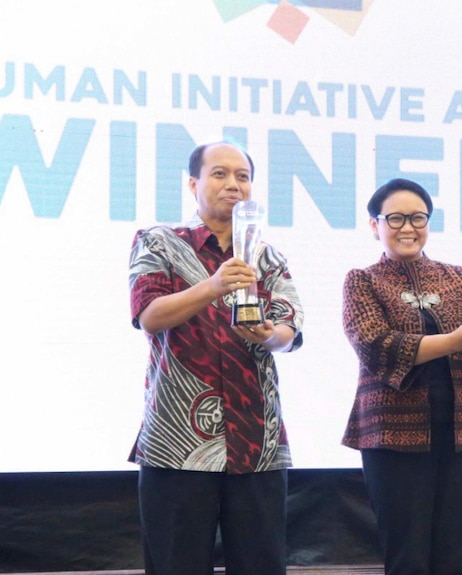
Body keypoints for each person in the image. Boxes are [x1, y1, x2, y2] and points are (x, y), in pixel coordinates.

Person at [128, 141, 304, 575]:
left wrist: (268, 334)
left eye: (242, 176)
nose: (233, 184)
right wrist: (211, 286)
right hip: (179, 441)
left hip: (257, 441)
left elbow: (290, 330)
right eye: (220, 174)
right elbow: (149, 316)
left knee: (261, 565)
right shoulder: (159, 242)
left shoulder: (266, 256)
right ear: (194, 183)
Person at [341, 178, 462, 575]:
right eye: (396, 218)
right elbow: (375, 346)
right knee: (408, 557)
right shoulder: (362, 280)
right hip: (392, 435)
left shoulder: (458, 277)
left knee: (454, 557)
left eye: (418, 217)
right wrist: (454, 339)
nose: (408, 227)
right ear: (374, 225)